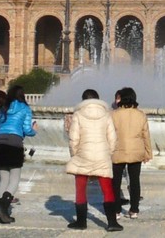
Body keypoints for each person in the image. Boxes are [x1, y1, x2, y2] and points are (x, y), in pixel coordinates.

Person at [66, 88, 121, 231]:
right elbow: (113, 138)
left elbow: (73, 138)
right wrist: (108, 153)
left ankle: (81, 222)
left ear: (83, 100)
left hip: (83, 155)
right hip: (102, 155)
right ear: (98, 99)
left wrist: (75, 154)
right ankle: (112, 223)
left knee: (80, 189)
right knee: (107, 189)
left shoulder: (78, 115)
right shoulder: (106, 115)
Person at [0, 84, 37, 224]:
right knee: (14, 178)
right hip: (14, 143)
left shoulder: (2, 108)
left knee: (3, 178)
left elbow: (2, 126)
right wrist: (34, 129)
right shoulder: (24, 108)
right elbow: (27, 130)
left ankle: (0, 211)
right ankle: (4, 209)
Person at [111, 87, 152, 219]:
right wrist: (148, 152)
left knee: (115, 182)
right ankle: (134, 210)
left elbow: (109, 135)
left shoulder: (114, 114)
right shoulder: (141, 115)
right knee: (135, 181)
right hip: (136, 151)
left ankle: (116, 210)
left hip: (118, 150)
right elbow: (146, 136)